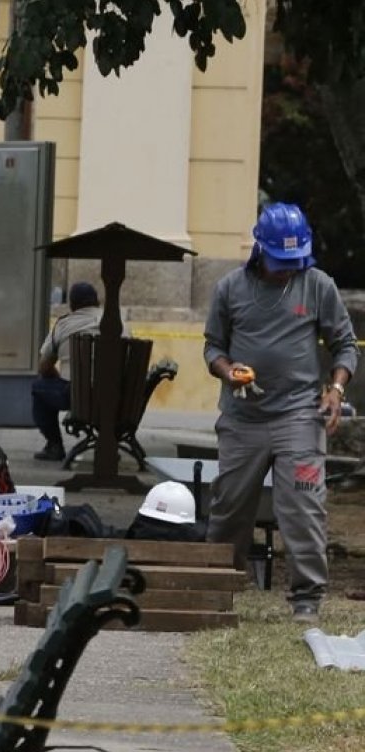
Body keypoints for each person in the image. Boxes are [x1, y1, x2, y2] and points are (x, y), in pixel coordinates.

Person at [203, 201, 357, 624]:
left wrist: (337, 388)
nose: (288, 269)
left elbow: (344, 345)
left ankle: (306, 596)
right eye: (280, 261)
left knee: (304, 507)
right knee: (229, 508)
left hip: (299, 418)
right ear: (259, 248)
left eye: (295, 260)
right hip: (242, 419)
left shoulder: (318, 285)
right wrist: (227, 370)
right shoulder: (230, 289)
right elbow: (213, 347)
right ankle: (218, 585)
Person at [30, 281, 125, 461]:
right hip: (116, 398)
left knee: (38, 387)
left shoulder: (64, 324)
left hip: (75, 397)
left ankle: (54, 446)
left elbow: (43, 367)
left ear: (72, 305)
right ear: (97, 302)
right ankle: (109, 444)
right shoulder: (118, 322)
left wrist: (59, 378)